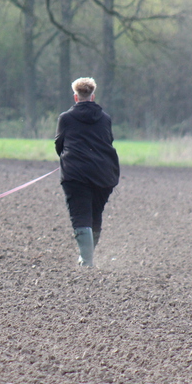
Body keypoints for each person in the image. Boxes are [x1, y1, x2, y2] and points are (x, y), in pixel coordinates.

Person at [54, 77, 120, 266]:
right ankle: (87, 258)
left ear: (76, 97)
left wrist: (69, 158)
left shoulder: (66, 118)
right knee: (95, 215)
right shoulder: (105, 118)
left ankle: (86, 261)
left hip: (76, 174)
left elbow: (59, 145)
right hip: (103, 174)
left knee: (81, 216)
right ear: (93, 96)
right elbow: (107, 142)